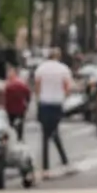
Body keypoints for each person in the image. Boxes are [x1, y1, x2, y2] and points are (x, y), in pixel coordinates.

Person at [32, 46, 73, 176]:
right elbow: (67, 86)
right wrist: (63, 97)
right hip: (57, 103)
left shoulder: (41, 69)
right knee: (53, 132)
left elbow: (37, 86)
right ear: (59, 56)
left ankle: (46, 165)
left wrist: (38, 99)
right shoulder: (63, 69)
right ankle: (64, 162)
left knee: (46, 134)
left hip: (44, 103)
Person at [2, 65, 31, 141]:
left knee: (10, 123)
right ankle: (19, 137)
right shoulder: (21, 83)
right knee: (20, 123)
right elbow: (28, 94)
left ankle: (12, 137)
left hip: (10, 108)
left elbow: (3, 97)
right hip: (20, 108)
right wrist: (27, 103)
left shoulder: (6, 84)